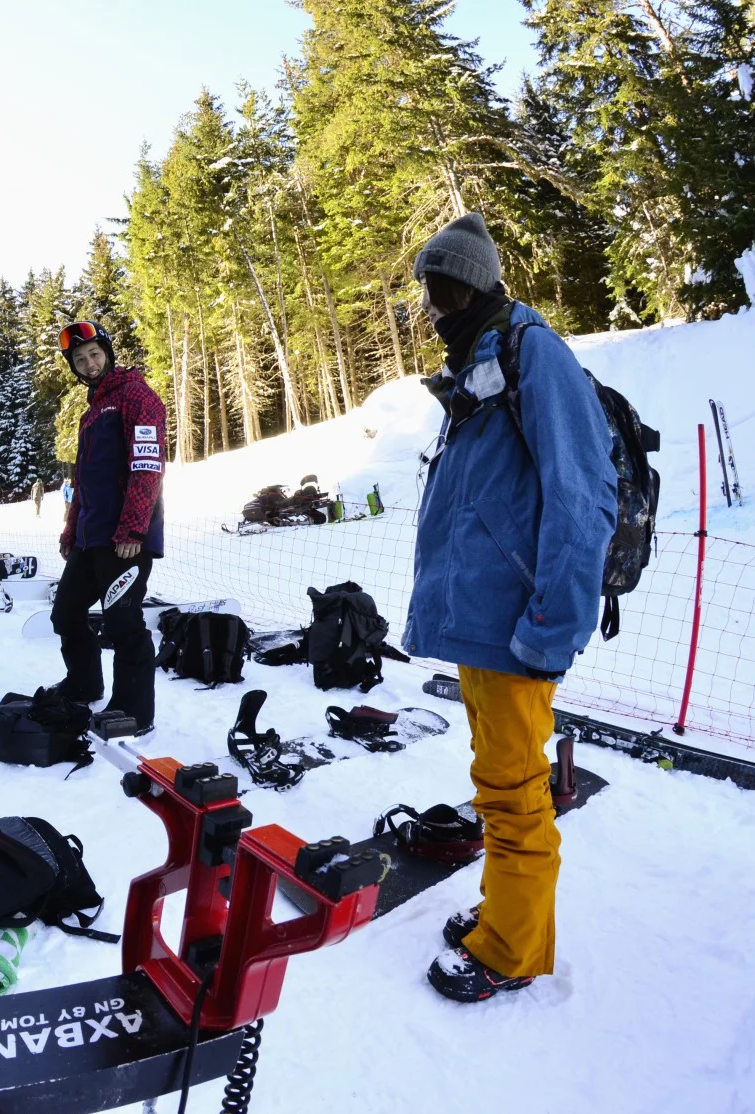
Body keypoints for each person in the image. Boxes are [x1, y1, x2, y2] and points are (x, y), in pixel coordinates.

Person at [404, 212, 616, 1002]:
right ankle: (502, 912)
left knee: (516, 788)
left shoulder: (534, 352)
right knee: (498, 779)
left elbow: (582, 494)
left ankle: (513, 949)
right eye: (430, 287)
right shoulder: (481, 358)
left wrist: (551, 628)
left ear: (479, 282)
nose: (437, 301)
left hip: (517, 627)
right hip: (485, 620)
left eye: (447, 284)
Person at [49, 322, 166, 733]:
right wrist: (70, 531)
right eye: (80, 360)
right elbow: (83, 480)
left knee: (123, 623)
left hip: (126, 539)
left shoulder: (137, 395)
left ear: (108, 353)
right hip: (90, 535)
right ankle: (83, 683)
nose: (89, 364)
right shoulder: (92, 410)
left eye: (95, 354)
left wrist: (134, 529)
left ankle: (134, 711)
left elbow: (147, 465)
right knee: (65, 614)